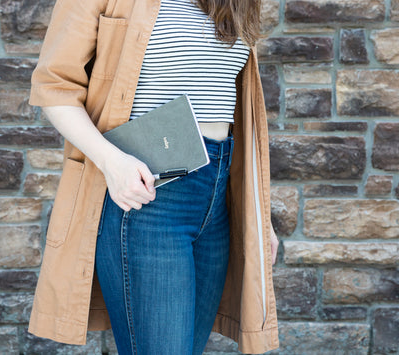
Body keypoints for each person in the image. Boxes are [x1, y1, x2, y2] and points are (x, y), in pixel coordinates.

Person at [27, 0, 280, 354]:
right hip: (149, 197)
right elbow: (54, 86)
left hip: (217, 198)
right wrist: (112, 163)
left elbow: (230, 106)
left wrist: (258, 213)